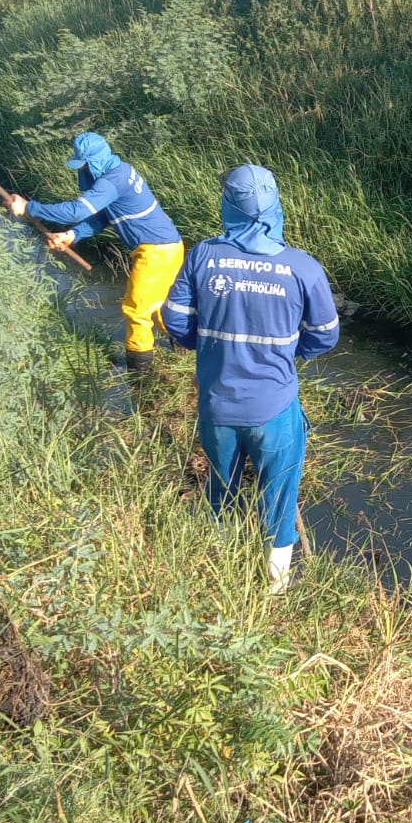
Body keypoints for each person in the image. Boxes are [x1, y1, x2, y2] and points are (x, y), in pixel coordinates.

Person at [162, 164, 340, 593]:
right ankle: (274, 591)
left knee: (219, 488)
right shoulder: (303, 268)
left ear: (228, 206)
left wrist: (205, 347)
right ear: (277, 207)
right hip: (275, 410)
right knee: (280, 500)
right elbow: (326, 336)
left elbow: (174, 319)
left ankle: (215, 574)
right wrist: (285, 353)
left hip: (216, 407)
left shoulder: (203, 255)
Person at [10, 132, 182, 373]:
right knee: (161, 306)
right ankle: (185, 353)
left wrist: (29, 207)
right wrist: (73, 235)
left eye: (84, 166)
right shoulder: (120, 171)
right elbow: (104, 216)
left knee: (136, 310)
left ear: (94, 162)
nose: (83, 172)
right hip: (168, 246)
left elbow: (75, 212)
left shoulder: (112, 181)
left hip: (155, 252)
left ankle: (139, 375)